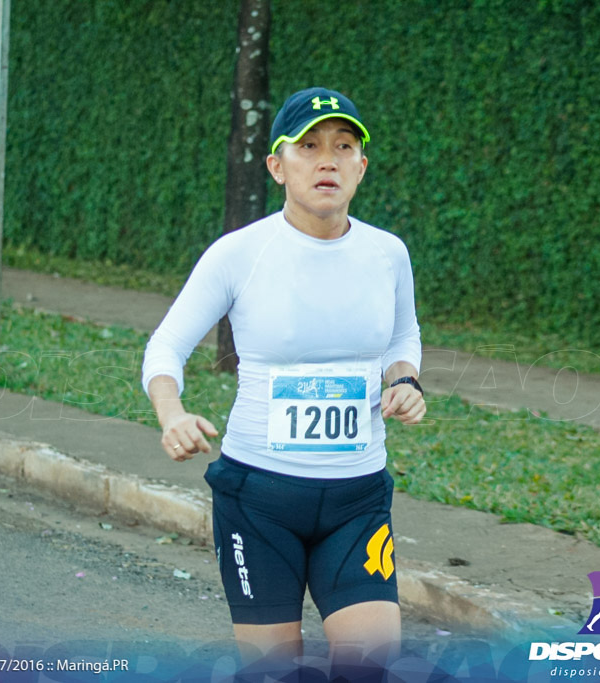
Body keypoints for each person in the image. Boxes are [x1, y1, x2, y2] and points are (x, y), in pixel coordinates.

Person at [142, 87, 425, 669]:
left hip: (358, 499)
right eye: (310, 146)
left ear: (361, 166)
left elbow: (402, 338)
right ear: (276, 166)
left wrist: (406, 381)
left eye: (344, 146)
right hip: (260, 502)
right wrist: (172, 413)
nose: (329, 160)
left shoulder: (387, 253)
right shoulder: (239, 254)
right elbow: (166, 346)